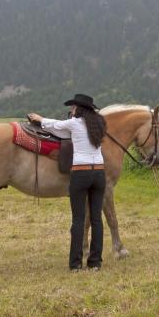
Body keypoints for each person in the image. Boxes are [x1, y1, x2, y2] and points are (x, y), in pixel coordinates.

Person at [28, 93, 107, 270]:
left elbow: (54, 125)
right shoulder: (100, 124)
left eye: (72, 107)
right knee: (96, 219)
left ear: (78, 109)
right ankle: (95, 263)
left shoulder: (74, 123)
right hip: (99, 173)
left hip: (81, 172)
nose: (71, 110)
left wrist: (39, 118)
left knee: (78, 219)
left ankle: (76, 264)